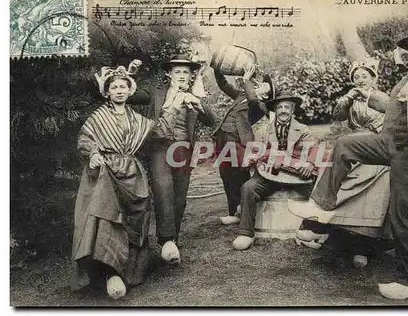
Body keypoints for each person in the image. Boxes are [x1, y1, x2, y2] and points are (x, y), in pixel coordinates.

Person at [289, 30, 408, 300]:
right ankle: (320, 204)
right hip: (392, 143)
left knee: (400, 216)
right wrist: (368, 95)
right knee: (345, 145)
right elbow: (395, 106)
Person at [295, 59, 392, 269]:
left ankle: (362, 246)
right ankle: (327, 234)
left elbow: (391, 123)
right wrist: (346, 100)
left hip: (375, 149)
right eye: (356, 77)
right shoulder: (350, 100)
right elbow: (337, 117)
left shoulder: (382, 98)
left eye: (364, 76)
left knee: (374, 189)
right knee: (333, 177)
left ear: (373, 78)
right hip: (352, 147)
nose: (360, 80)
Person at [71, 62, 155, 299]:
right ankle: (109, 272)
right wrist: (94, 154)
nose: (119, 90)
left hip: (132, 172)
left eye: (123, 86)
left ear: (130, 90)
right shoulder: (98, 117)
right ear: (107, 92)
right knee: (109, 219)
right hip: (106, 173)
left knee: (137, 217)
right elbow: (85, 139)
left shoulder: (138, 119)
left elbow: (158, 131)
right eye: (114, 87)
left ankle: (132, 272)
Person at [130, 54, 217, 265]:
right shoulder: (156, 92)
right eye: (177, 71)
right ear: (169, 74)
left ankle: (173, 239)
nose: (181, 76)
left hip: (183, 150)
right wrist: (131, 74)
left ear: (190, 76)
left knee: (179, 198)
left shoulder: (193, 96)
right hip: (160, 148)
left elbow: (211, 120)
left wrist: (197, 104)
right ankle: (167, 240)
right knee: (163, 189)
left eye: (185, 72)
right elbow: (130, 96)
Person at [232, 89, 317, 251]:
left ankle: (311, 230)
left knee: (316, 191)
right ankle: (246, 233)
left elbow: (313, 149)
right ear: (275, 110)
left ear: (292, 110)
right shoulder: (263, 131)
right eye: (280, 107)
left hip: (295, 176)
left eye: (287, 107)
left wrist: (310, 164)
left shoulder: (303, 129)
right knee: (249, 188)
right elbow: (255, 152)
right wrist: (252, 158)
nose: (283, 110)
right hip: (268, 176)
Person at [212, 64, 272, 225]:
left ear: (266, 96)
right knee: (226, 174)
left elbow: (252, 99)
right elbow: (223, 85)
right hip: (223, 137)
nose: (257, 85)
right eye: (257, 84)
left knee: (240, 174)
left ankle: (245, 210)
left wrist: (246, 80)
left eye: (263, 86)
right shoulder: (240, 95)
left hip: (239, 141)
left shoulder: (261, 106)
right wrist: (216, 67)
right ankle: (234, 212)